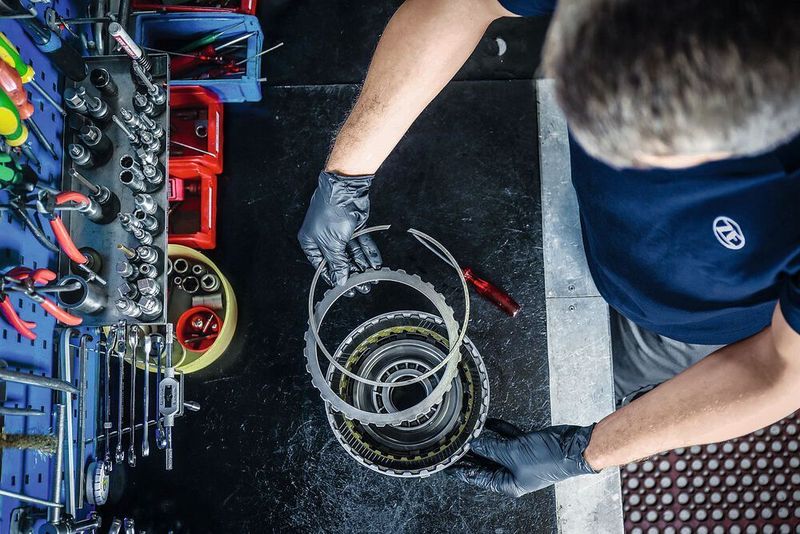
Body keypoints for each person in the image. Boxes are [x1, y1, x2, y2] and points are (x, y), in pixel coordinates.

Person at [298, 0, 800, 497]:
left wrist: (585, 451)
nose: (615, 158)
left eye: (654, 158)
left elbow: (780, 370)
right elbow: (459, 4)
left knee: (610, 384)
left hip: (701, 328)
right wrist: (348, 174)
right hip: (595, 236)